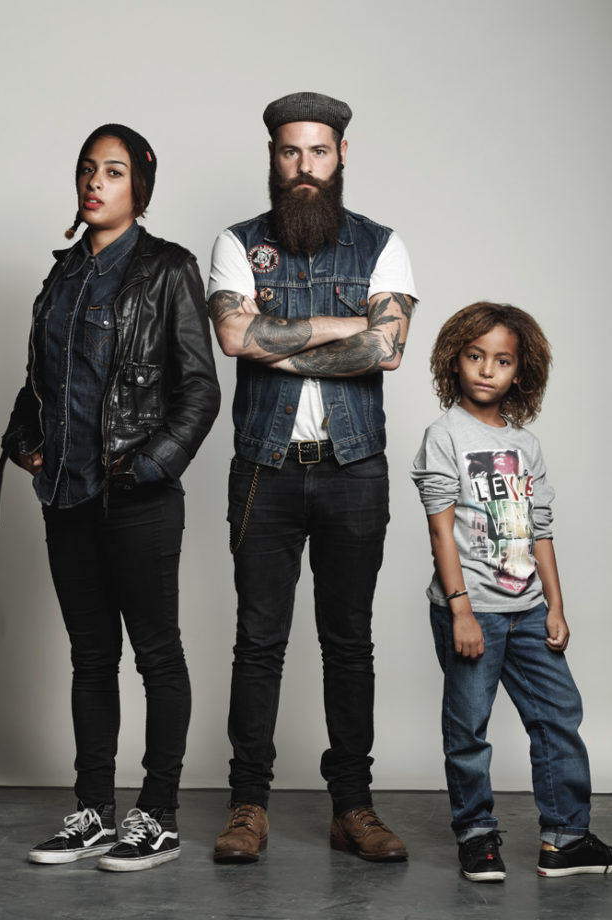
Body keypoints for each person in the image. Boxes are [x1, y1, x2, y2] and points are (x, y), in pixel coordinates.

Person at [0, 124, 220, 871]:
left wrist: (149, 466)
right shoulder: (62, 273)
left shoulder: (168, 269)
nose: (95, 182)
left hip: (138, 498)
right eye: (88, 169)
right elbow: (38, 383)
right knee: (91, 657)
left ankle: (157, 815)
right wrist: (24, 442)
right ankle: (93, 811)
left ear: (140, 187)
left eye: (114, 171)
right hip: (66, 495)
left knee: (157, 655)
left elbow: (200, 390)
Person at [207, 91, 417, 863]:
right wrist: (348, 327)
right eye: (291, 151)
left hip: (353, 470)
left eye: (318, 151)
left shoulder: (382, 245)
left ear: (341, 156)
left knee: (348, 642)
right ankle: (247, 807)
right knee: (258, 642)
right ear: (273, 157)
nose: (305, 166)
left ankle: (353, 808)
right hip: (263, 470)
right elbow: (235, 337)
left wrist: (282, 342)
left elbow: (387, 350)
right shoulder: (237, 244)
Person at [411, 302, 612, 881]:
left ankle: (565, 838)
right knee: (468, 728)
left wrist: (556, 606)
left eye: (501, 360)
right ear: (454, 361)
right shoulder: (444, 435)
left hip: (527, 610)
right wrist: (461, 611)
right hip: (473, 608)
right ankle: (476, 837)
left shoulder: (528, 445)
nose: (486, 370)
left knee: (558, 715)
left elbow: (540, 530)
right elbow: (440, 530)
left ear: (521, 372)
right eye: (475, 356)